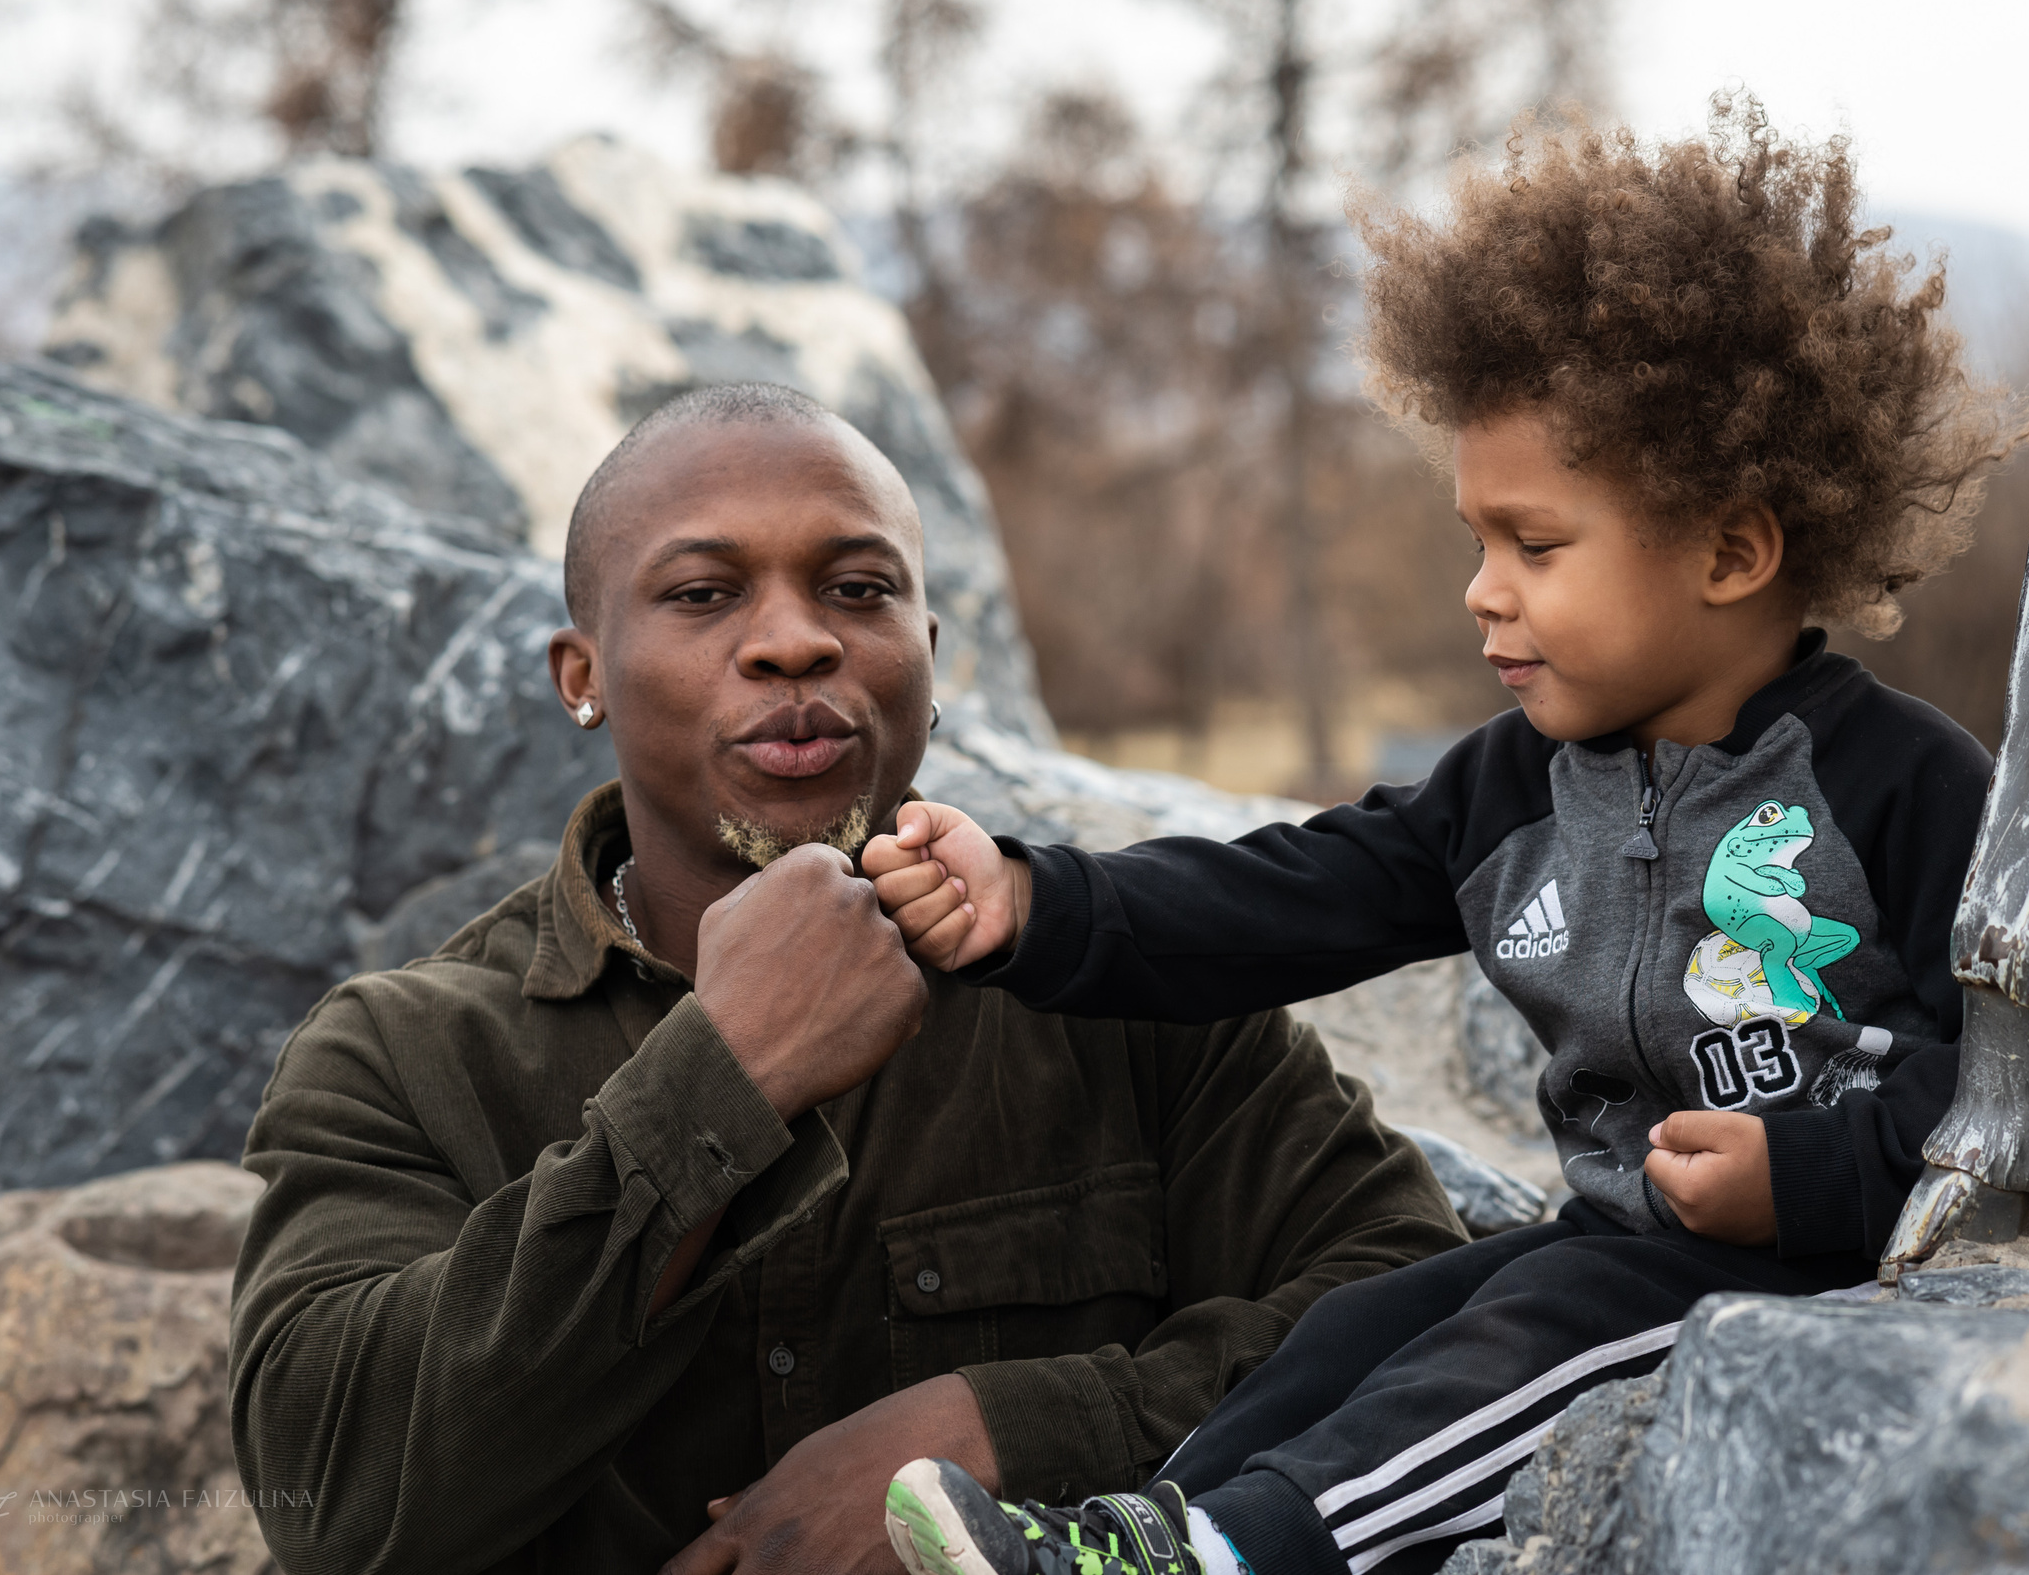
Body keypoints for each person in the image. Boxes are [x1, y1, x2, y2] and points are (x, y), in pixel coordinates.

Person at [865, 102, 2029, 1575]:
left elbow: (2022, 1080)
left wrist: (1809, 1178)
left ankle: (1226, 1558)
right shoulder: (1512, 787)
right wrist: (1032, 901)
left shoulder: (1899, 784)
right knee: (1365, 1325)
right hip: (1617, 1246)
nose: (1483, 590)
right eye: (1476, 539)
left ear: (1734, 551)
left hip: (1818, 1271)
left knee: (1533, 1337)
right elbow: (1286, 897)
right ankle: (1138, 1537)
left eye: (1535, 546)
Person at [225, 382, 1467, 1575]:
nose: (795, 640)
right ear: (582, 674)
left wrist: (1000, 1432)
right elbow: (331, 1499)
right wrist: (723, 1076)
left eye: (857, 589)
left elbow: (1416, 1294)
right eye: (704, 593)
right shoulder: (399, 1055)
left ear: (925, 652)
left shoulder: (1118, 984)